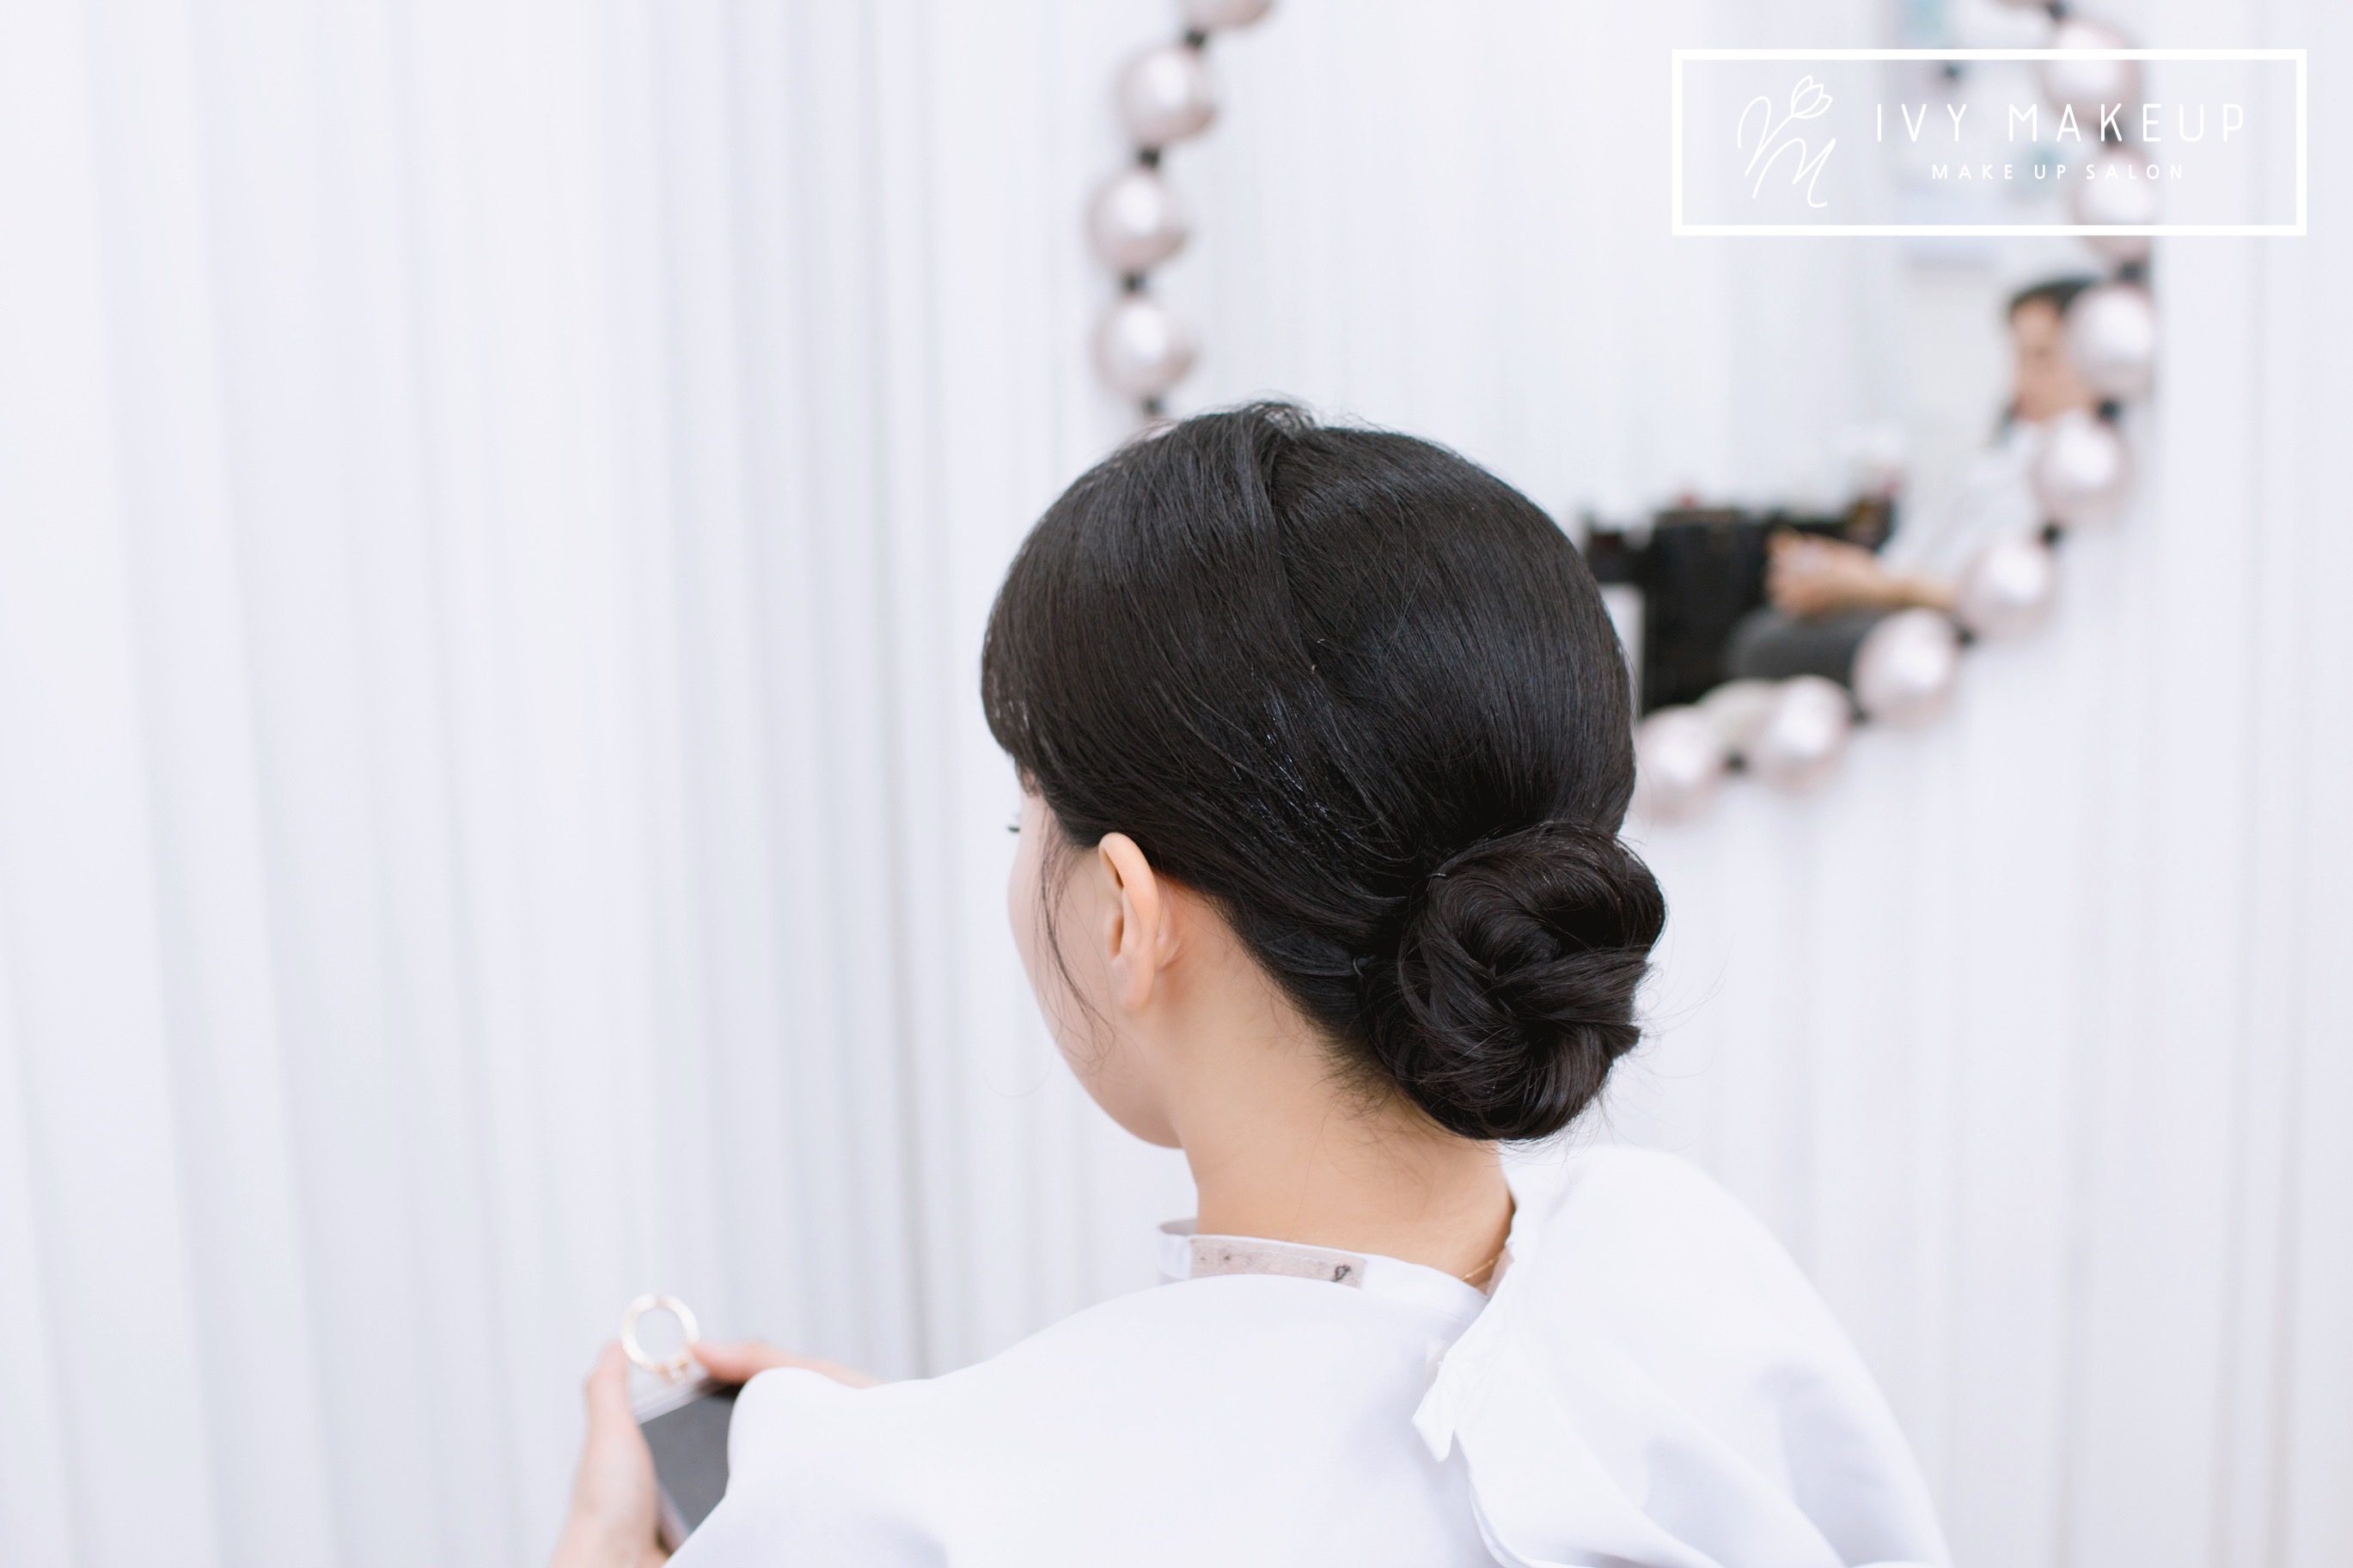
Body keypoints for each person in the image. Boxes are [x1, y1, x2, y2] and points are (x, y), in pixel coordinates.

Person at [549, 405, 1950, 1568]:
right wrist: (951, 1452)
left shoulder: (876, 1517)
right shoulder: (1687, 1272)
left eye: (1024, 817)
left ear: (1124, 913)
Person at [1727, 276, 2099, 683]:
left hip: (1950, 633)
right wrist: (1841, 573)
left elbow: (2001, 598)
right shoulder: (2011, 454)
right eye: (2018, 357)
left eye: (2043, 358)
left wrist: (1877, 587)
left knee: (1760, 645)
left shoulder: (2081, 480)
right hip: (1906, 604)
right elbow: (1913, 557)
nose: (2020, 382)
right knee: (1766, 631)